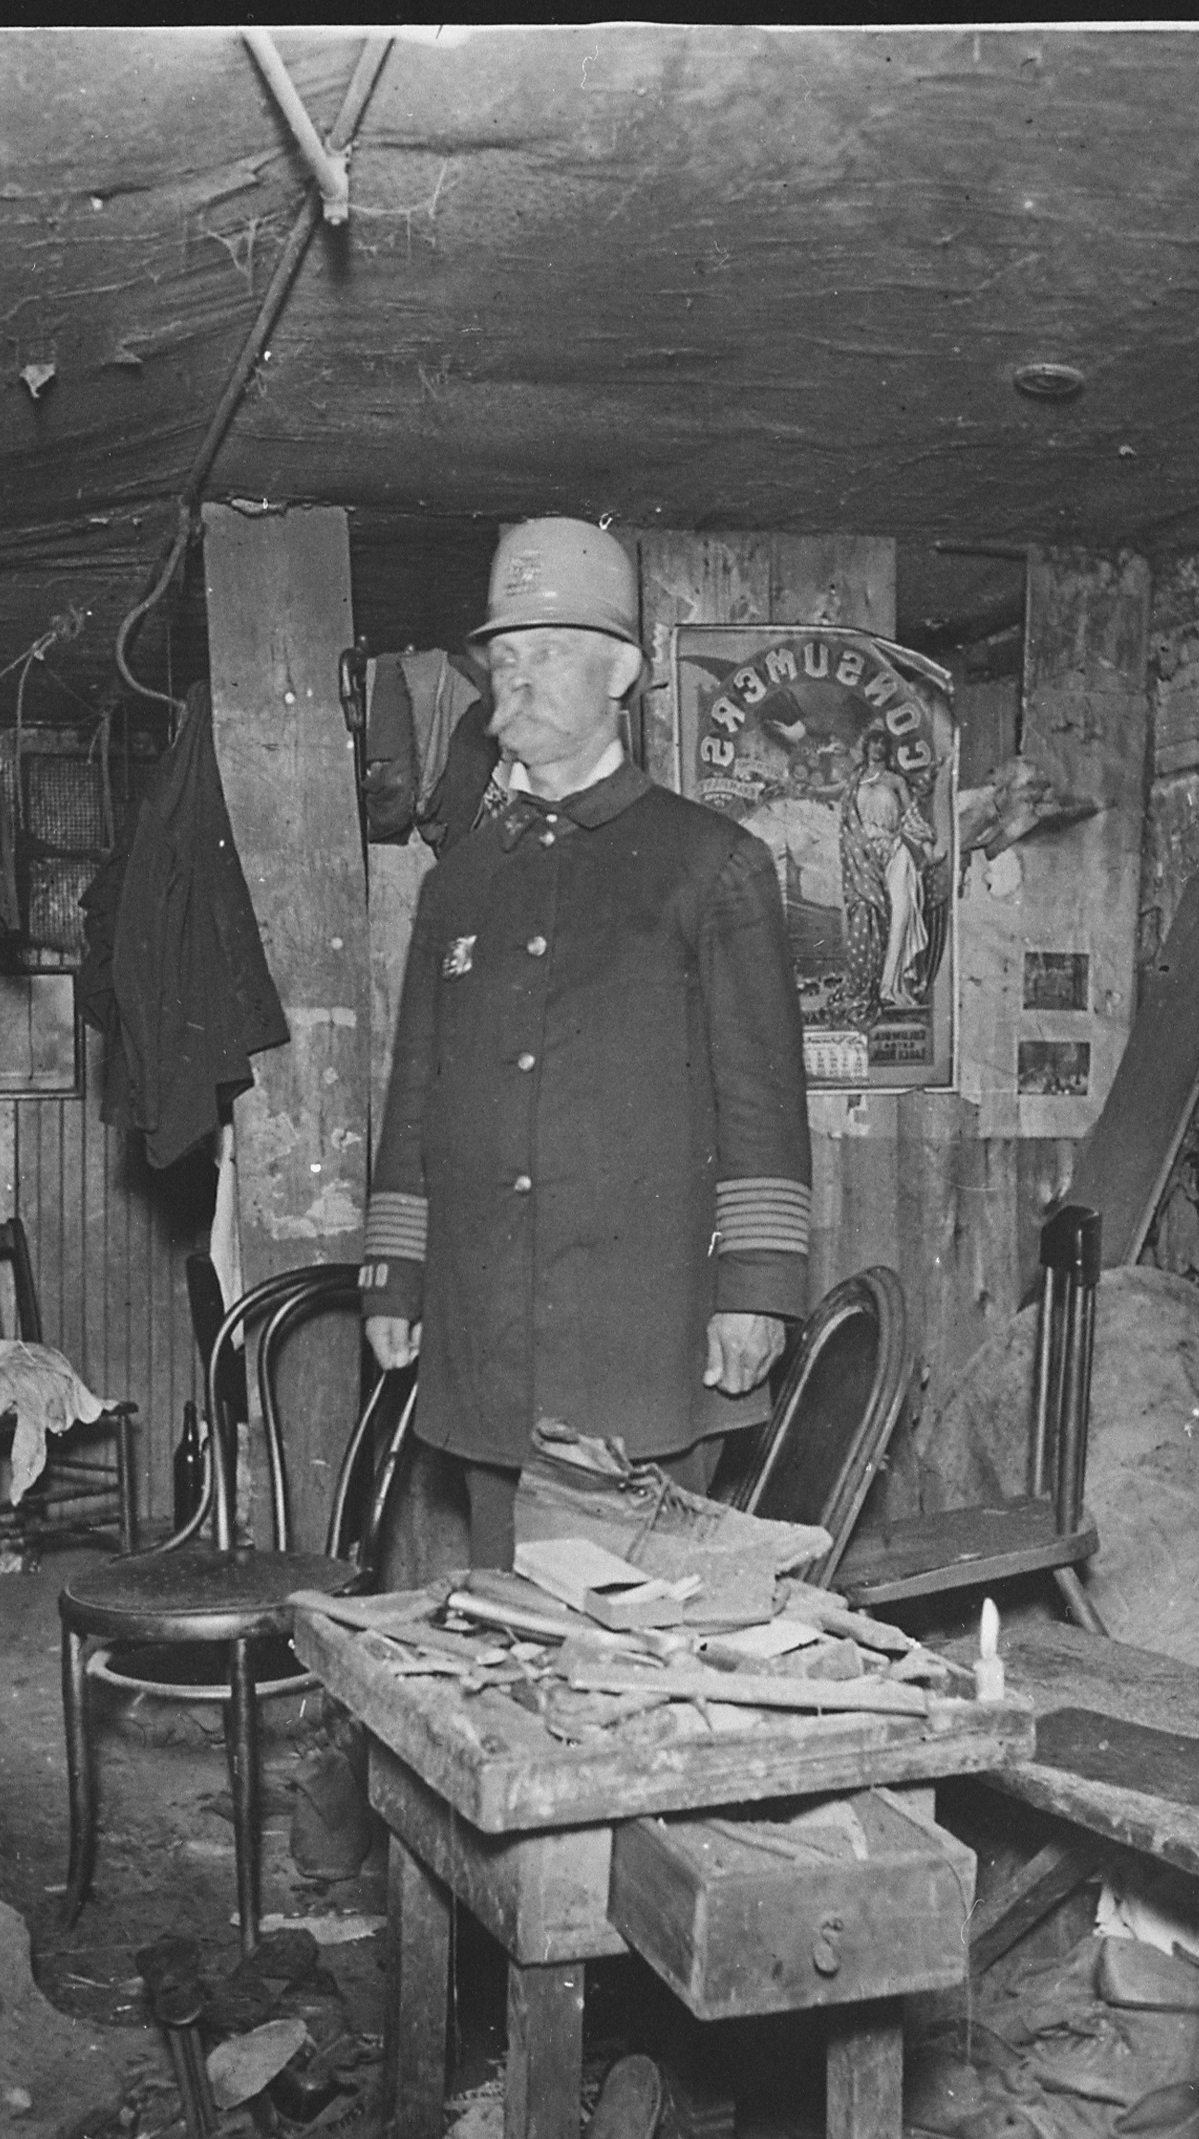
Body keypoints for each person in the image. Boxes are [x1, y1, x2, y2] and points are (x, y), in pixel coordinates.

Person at [359, 518, 812, 1568]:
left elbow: (761, 1104)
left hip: (640, 1341)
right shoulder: (460, 881)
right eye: (504, 658)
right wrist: (394, 1274)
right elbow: (416, 1097)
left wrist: (756, 1292)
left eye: (548, 651)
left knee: (640, 1648)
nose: (516, 681)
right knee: (506, 1636)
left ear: (623, 671)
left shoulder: (711, 866)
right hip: (483, 1334)